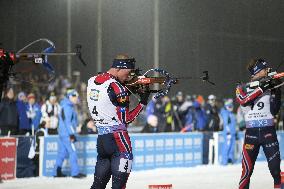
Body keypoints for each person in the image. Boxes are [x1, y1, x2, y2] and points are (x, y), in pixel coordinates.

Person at [87, 54, 150, 189]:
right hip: (119, 140)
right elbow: (126, 119)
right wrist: (143, 102)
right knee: (119, 186)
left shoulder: (92, 80)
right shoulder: (118, 88)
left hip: (102, 140)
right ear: (119, 68)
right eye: (127, 73)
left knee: (97, 185)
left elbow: (107, 94)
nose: (128, 77)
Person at [236, 58, 283, 189]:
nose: (267, 70)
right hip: (251, 135)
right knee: (246, 173)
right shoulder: (241, 87)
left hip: (269, 133)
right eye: (264, 69)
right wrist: (261, 89)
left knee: (276, 172)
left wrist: (277, 91)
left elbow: (274, 110)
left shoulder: (270, 85)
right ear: (256, 72)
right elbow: (242, 100)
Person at [53, 88, 86, 178]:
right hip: (67, 134)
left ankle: (56, 172)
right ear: (69, 97)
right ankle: (75, 173)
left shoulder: (66, 106)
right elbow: (68, 122)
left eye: (77, 96)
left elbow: (67, 121)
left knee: (62, 153)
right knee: (73, 152)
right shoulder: (67, 107)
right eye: (74, 96)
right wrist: (72, 134)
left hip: (63, 133)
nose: (76, 98)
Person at [220, 98, 236, 165]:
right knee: (227, 146)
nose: (231, 108)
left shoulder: (231, 114)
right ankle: (224, 161)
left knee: (232, 147)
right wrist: (228, 131)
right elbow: (226, 123)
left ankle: (230, 159)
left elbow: (233, 124)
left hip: (232, 133)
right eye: (229, 106)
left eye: (232, 106)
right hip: (228, 133)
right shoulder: (225, 113)